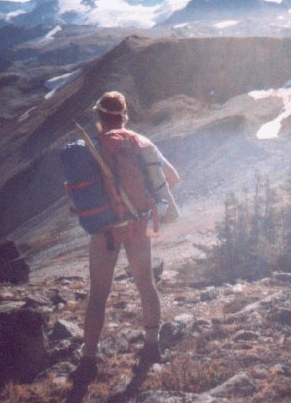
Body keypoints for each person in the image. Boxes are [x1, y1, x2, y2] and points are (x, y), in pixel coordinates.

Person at [73, 91, 180, 383]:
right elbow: (172, 177)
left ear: (99, 116)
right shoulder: (141, 142)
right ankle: (152, 346)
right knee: (146, 283)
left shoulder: (92, 147)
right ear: (124, 115)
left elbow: (79, 192)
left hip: (106, 229)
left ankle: (89, 359)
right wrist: (145, 199)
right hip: (138, 225)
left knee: (98, 295)